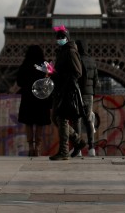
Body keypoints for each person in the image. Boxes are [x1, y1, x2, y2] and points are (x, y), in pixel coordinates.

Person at [48, 25, 83, 161]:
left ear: (67, 38)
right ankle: (78, 140)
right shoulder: (62, 51)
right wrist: (53, 72)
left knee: (61, 118)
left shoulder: (70, 51)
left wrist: (58, 75)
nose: (59, 39)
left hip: (66, 90)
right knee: (56, 118)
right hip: (60, 89)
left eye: (62, 37)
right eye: (58, 37)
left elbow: (77, 72)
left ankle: (64, 151)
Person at [16, 44, 53, 156]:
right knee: (40, 123)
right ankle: (38, 147)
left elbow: (19, 82)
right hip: (41, 98)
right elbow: (51, 82)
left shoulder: (24, 65)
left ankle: (30, 147)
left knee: (29, 123)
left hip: (28, 98)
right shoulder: (46, 65)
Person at [74, 39, 98, 157]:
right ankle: (91, 148)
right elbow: (96, 80)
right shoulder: (92, 61)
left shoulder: (76, 59)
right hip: (89, 94)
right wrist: (92, 91)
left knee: (77, 120)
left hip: (77, 93)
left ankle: (78, 149)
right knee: (88, 120)